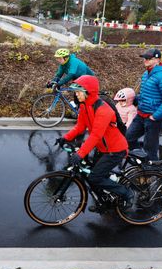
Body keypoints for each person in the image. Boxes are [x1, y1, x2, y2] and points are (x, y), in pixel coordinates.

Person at [56, 75, 133, 210]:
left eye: (79, 91)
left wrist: (80, 154)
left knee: (95, 177)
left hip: (115, 150)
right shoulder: (85, 106)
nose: (76, 95)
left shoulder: (103, 110)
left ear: (88, 92)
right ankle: (103, 202)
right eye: (76, 92)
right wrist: (66, 138)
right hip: (102, 148)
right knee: (92, 173)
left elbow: (96, 135)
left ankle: (127, 193)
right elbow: (80, 127)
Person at [125, 48, 162, 161]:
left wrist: (155, 116)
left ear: (157, 60)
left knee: (150, 148)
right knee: (128, 138)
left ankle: (153, 171)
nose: (145, 60)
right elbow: (146, 93)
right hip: (141, 114)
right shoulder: (146, 73)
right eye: (145, 58)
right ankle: (140, 159)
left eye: (149, 58)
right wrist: (136, 100)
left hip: (154, 118)